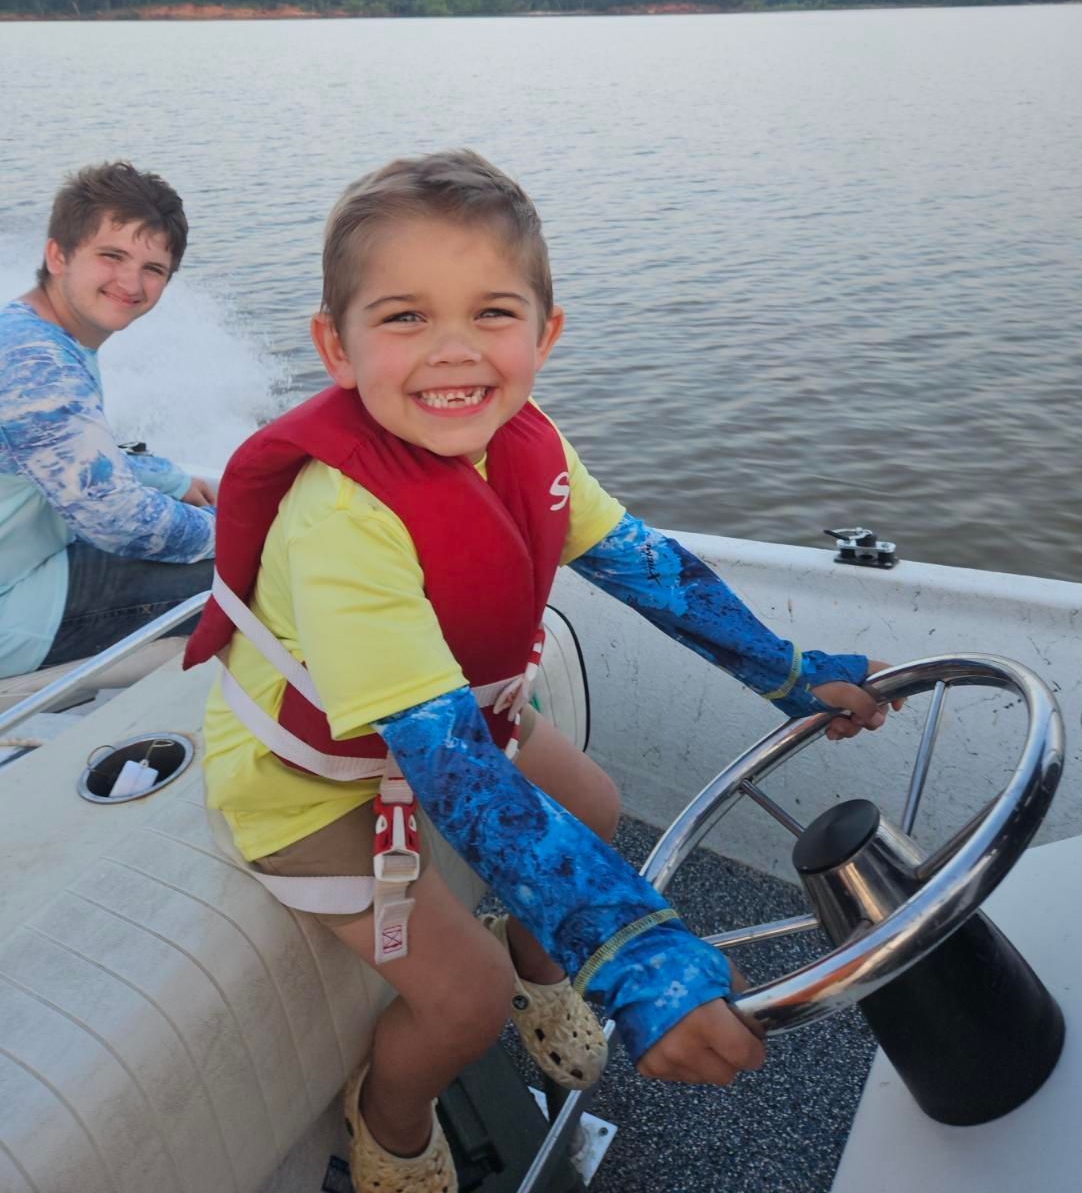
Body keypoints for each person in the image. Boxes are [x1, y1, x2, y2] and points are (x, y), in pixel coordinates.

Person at [185, 150, 898, 1193]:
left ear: (545, 333)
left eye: (491, 313)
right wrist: (633, 950)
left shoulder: (529, 443)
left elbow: (649, 568)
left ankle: (542, 973)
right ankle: (389, 1126)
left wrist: (794, 674)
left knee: (597, 803)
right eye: (404, 318)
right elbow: (449, 769)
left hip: (459, 722)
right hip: (310, 781)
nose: (453, 353)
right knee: (461, 997)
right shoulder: (341, 520)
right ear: (334, 347)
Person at [0, 160, 216, 686]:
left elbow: (84, 456)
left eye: (153, 269)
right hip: (15, 608)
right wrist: (240, 533)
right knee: (263, 575)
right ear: (58, 255)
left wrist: (175, 481)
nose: (131, 282)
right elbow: (116, 518)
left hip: (26, 566)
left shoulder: (31, 331)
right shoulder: (36, 363)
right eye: (111, 256)